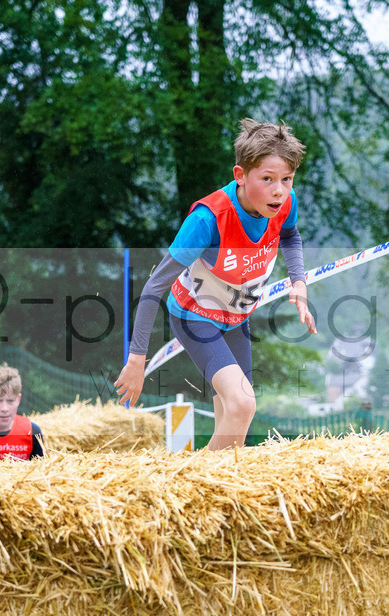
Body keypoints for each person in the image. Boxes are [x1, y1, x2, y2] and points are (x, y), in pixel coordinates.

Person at [115, 118, 317, 450]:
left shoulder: (284, 203)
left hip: (235, 318)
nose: (279, 190)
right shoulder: (207, 221)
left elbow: (290, 234)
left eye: (287, 179)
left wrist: (299, 282)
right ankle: (198, 488)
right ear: (240, 175)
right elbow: (153, 288)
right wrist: (137, 360)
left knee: (234, 418)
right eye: (267, 179)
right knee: (243, 404)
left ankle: (218, 489)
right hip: (195, 316)